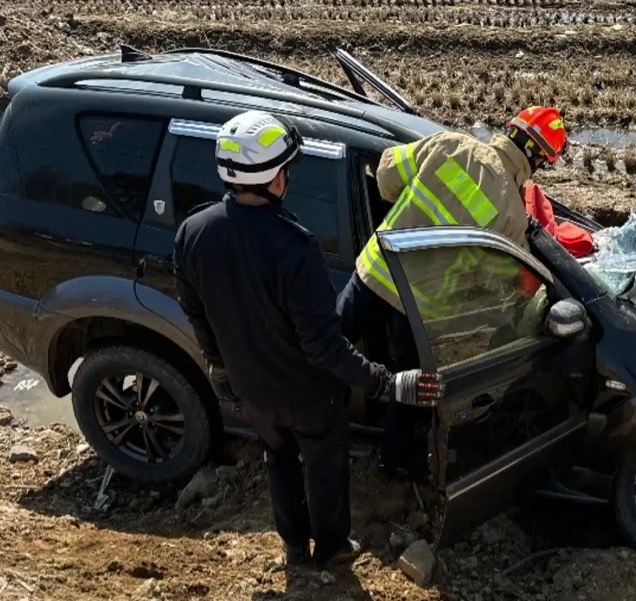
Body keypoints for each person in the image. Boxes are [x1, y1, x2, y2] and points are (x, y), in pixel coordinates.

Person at [173, 110, 445, 571]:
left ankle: (295, 549)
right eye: (287, 169)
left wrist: (220, 365)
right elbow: (324, 345)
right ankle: (333, 549)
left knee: (277, 458)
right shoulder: (294, 246)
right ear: (275, 179)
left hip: (252, 387)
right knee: (324, 466)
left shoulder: (192, 232)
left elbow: (196, 312)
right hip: (308, 393)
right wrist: (387, 383)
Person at [338, 106, 568, 475]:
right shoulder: (511, 210)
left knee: (328, 351)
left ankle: (306, 430)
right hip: (417, 306)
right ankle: (393, 461)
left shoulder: (449, 144)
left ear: (510, 129)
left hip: (373, 271)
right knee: (409, 385)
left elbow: (384, 175)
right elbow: (501, 281)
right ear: (538, 159)